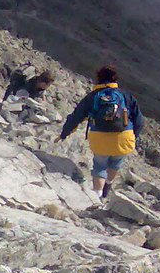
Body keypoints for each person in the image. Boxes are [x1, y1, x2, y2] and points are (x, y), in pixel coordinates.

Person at [59, 65, 144, 198]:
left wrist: (64, 133)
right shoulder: (125, 95)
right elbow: (139, 120)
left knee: (99, 166)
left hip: (99, 138)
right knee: (116, 162)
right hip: (123, 137)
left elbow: (76, 116)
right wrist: (133, 136)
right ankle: (108, 185)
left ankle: (97, 196)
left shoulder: (93, 96)